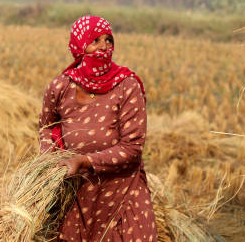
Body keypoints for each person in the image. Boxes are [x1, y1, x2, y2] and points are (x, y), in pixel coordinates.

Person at [39, 15, 157, 242]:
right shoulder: (60, 86)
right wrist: (50, 161)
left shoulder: (127, 85)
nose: (104, 47)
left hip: (122, 191)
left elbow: (132, 148)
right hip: (76, 193)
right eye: (95, 41)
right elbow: (47, 128)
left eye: (109, 40)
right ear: (79, 46)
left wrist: (85, 161)